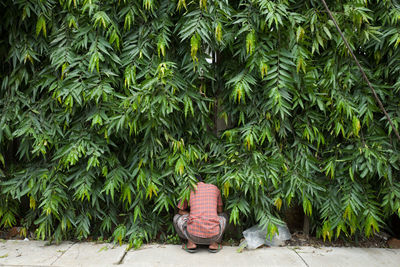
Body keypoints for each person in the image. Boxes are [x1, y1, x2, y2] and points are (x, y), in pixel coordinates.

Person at [173, 177, 227, 253]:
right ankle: (214, 243)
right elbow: (220, 211)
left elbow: (180, 211)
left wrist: (190, 214)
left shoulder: (189, 189)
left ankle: (191, 243)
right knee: (224, 216)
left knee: (176, 217)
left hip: (193, 235)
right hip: (214, 235)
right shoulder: (215, 188)